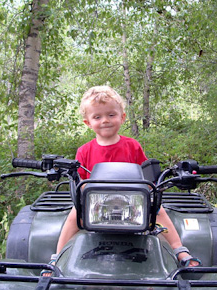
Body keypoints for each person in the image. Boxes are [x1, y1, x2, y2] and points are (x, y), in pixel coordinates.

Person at [42, 86, 200, 276]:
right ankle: (57, 258)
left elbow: (145, 176)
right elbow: (81, 181)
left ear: (122, 117)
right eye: (97, 117)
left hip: (131, 201)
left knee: (159, 211)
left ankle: (179, 249)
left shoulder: (132, 146)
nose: (105, 121)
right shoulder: (84, 150)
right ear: (88, 122)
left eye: (111, 114)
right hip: (97, 204)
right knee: (74, 215)